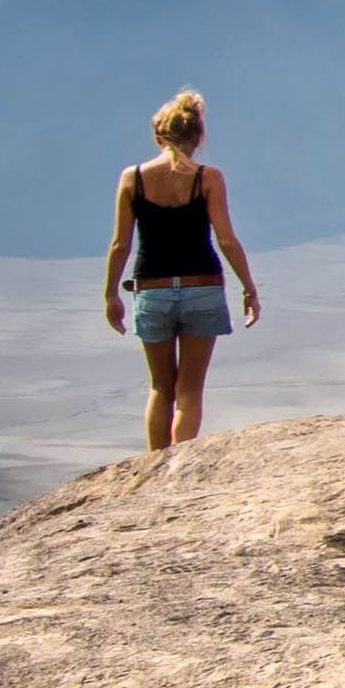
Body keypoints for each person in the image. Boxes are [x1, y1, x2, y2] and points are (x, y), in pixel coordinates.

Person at [104, 89, 260, 454]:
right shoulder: (208, 178)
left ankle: (155, 467)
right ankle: (180, 468)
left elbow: (119, 245)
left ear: (158, 137)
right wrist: (249, 288)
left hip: (151, 290)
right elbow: (227, 240)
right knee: (189, 390)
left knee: (160, 387)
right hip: (202, 288)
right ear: (198, 138)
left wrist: (111, 294)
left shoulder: (133, 178)